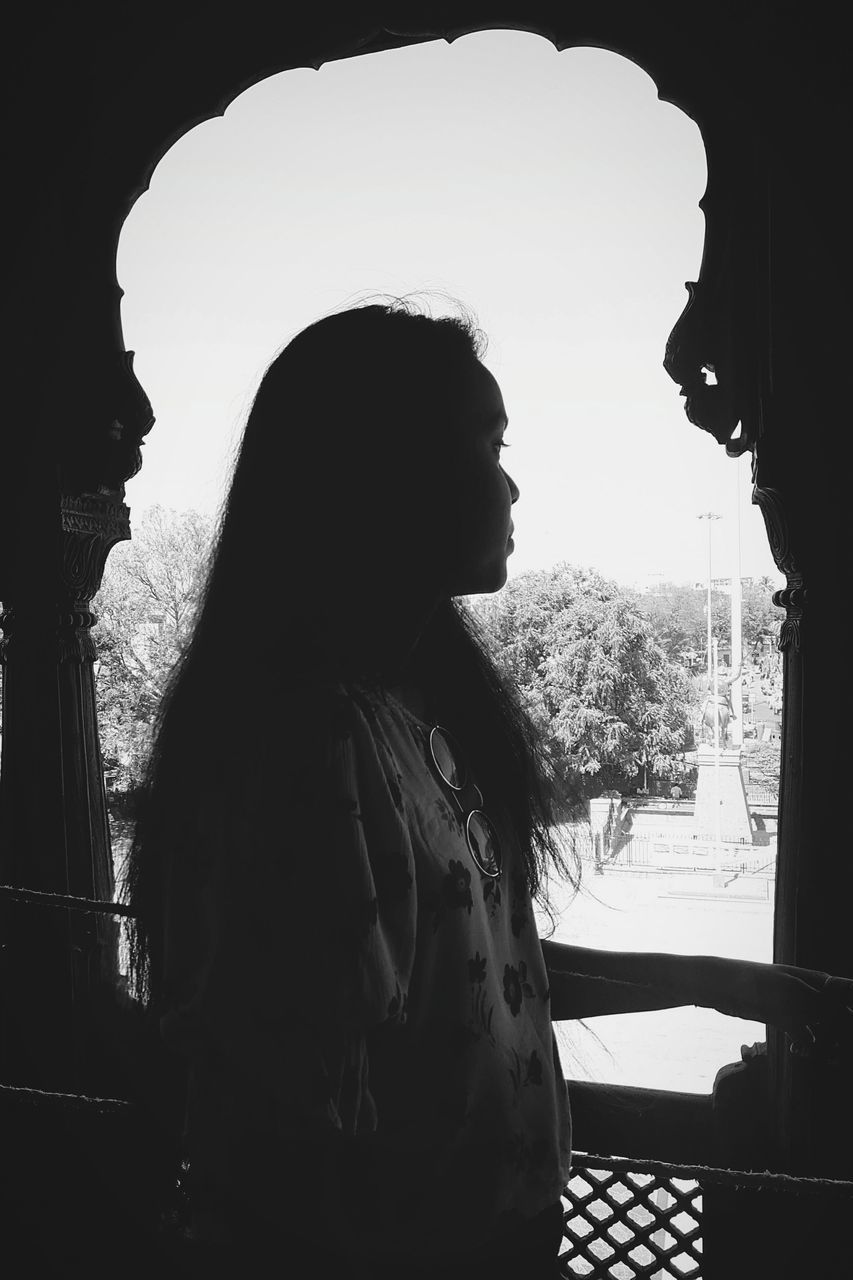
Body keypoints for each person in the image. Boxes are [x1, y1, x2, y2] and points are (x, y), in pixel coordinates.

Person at [123, 298, 853, 1279]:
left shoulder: (403, 714)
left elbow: (474, 975)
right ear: (376, 468)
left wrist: (714, 981)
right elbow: (272, 1131)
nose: (509, 484)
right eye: (484, 441)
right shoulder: (310, 741)